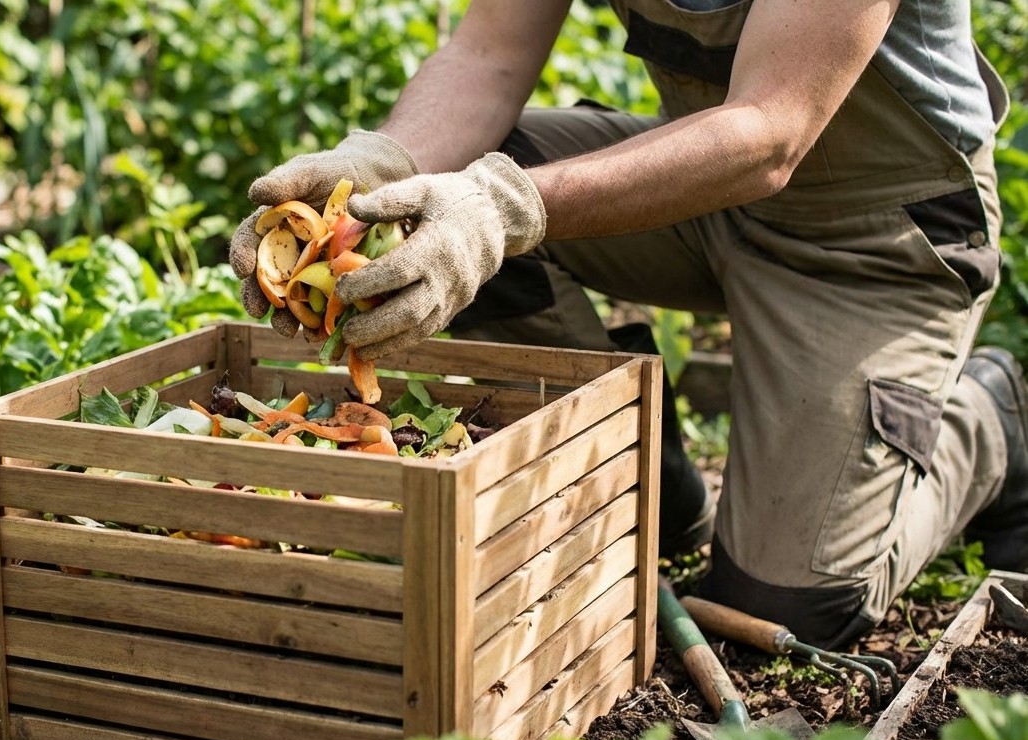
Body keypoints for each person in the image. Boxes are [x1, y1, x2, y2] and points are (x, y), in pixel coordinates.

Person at [227, 0, 1025, 649]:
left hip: (870, 237)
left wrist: (503, 209)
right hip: (706, 197)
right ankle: (650, 482)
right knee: (434, 205)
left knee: (786, 608)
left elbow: (771, 132)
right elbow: (487, 57)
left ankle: (994, 423)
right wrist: (381, 166)